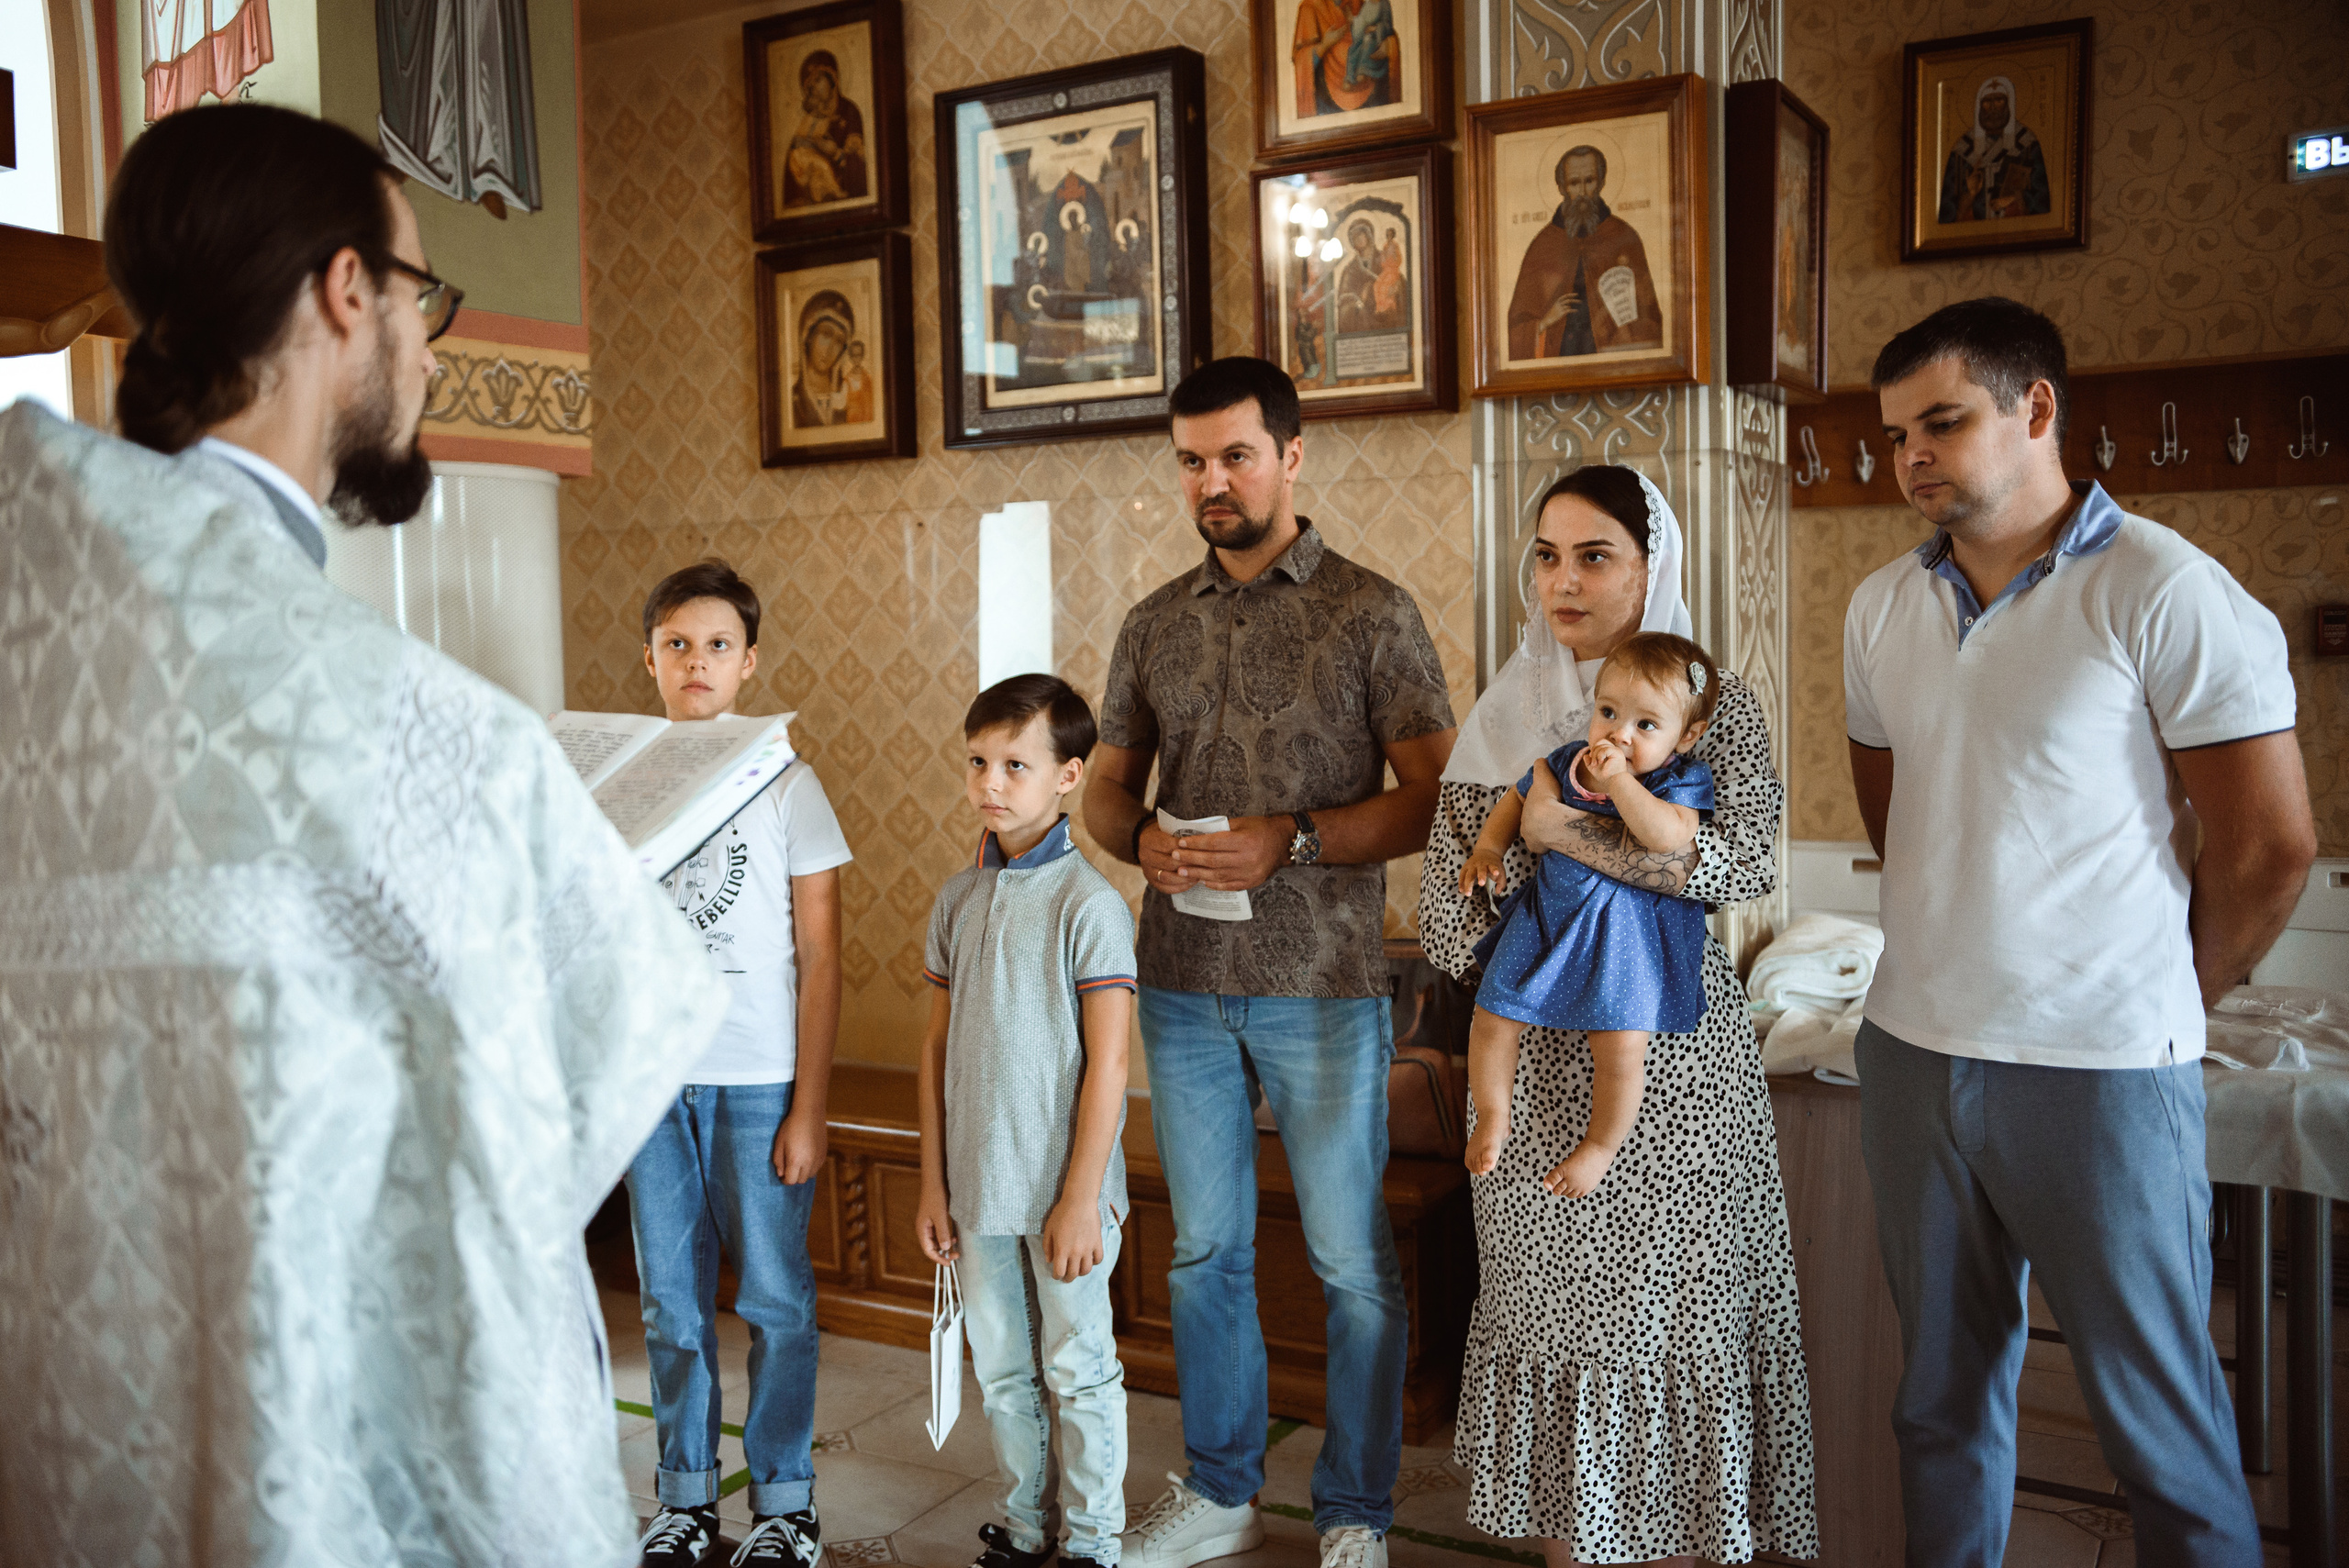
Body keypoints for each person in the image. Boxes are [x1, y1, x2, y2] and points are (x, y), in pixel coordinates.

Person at [0, 102, 728, 1565]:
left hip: (66, 1432)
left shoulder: (31, 642)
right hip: (309, 1456)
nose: (431, 343)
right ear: (348, 292)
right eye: (422, 296)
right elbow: (601, 1048)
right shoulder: (420, 729)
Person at [1847, 296, 2310, 1563]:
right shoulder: (1883, 605)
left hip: (2101, 1067)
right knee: (1937, 1401)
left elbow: (2270, 849)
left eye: (1942, 422)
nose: (1913, 458)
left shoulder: (2165, 589)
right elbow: (1902, 813)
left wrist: (2166, 986)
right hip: (1911, 1050)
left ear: (2036, 409)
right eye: (1895, 437)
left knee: (2158, 1424)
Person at [1083, 356, 1458, 1568]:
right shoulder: (1155, 623)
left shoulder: (1373, 610)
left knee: (1352, 1260)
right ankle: (1222, 1487)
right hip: (1181, 983)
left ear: (1291, 456)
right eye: (1192, 459)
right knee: (1205, 1250)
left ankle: (1356, 1508)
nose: (1214, 480)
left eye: (1236, 454)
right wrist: (1135, 837)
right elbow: (1101, 787)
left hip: (1329, 985)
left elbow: (1441, 798)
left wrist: (1290, 836)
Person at [1416, 465, 1817, 1567]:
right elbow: (1448, 922)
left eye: (1595, 555)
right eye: (1546, 554)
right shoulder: (1508, 715)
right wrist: (1513, 866)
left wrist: (1568, 841)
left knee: (1664, 1340)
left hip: (1673, 1075)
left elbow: (1738, 867)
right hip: (1534, 1076)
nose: (1563, 579)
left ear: (1654, 569)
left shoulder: (1711, 703)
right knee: (1560, 1339)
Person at [629, 560, 852, 1568]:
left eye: (718, 644)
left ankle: (785, 1503)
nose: (698, 661)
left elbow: (822, 955)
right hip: (649, 1080)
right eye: (678, 643)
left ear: (750, 661)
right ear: (650, 660)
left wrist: (809, 1103)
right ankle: (682, 1497)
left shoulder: (789, 784)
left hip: (759, 1077)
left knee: (773, 1298)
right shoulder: (623, 784)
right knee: (670, 1302)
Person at [915, 674, 1138, 1568]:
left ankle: (1091, 1542)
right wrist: (933, 1181)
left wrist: (1082, 1194)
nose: (991, 781)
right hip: (975, 1188)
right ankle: (1022, 1524)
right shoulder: (955, 903)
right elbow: (931, 1055)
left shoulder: (1089, 906)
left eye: (1016, 763)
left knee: (1077, 1369)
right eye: (978, 761)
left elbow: (1111, 1062)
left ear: (1069, 773)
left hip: (1062, 1192)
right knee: (1002, 1369)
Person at [1458, 632, 1720, 1197]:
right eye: (1608, 712)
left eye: (1646, 725)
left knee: (1622, 1051)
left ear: (1688, 735)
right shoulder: (1566, 763)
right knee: (1492, 1016)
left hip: (1625, 939)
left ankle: (1600, 1146)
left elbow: (1665, 839)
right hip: (1547, 920)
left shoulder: (1678, 781)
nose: (1619, 734)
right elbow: (1519, 799)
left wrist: (1621, 781)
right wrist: (1487, 849)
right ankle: (1493, 1112)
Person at [1505, 146, 1662, 361]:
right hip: (1559, 361)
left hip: (1611, 360)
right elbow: (1516, 327)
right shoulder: (1543, 245)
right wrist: (1544, 322)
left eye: (1589, 181)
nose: (1582, 192)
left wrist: (1628, 329)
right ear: (1561, 187)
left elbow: (1649, 318)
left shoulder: (1623, 237)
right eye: (1573, 183)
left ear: (1602, 183)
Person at [1935, 76, 2049, 223]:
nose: (1993, 108)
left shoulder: (2027, 143)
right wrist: (1969, 195)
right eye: (1987, 102)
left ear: (2009, 105)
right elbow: (1947, 211)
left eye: (1999, 101)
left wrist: (2015, 199)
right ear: (1979, 106)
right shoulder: (1962, 148)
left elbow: (2041, 202)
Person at [782, 49, 866, 208]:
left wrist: (835, 153)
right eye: (810, 85)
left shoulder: (849, 113)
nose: (814, 88)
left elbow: (861, 172)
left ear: (833, 79)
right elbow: (791, 181)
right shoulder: (807, 122)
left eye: (818, 79)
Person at [1342, 0, 1392, 88]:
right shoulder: (1368, 4)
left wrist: (1375, 28)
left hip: (1377, 37)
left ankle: (1364, 71)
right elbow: (1361, 21)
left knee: (1367, 40)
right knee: (1353, 48)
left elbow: (1388, 25)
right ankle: (1350, 78)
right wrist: (1353, 20)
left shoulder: (1384, 3)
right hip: (1363, 34)